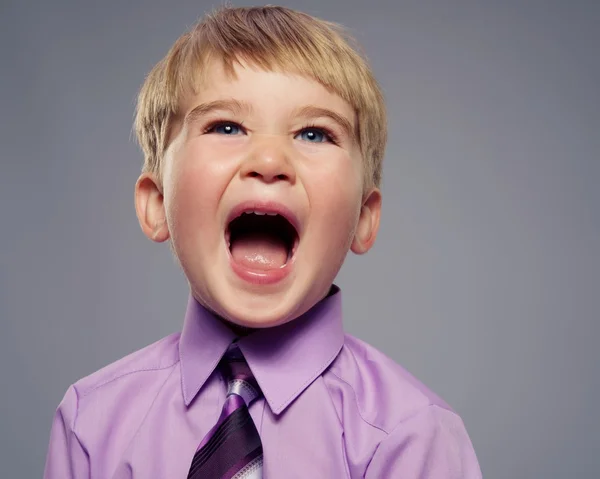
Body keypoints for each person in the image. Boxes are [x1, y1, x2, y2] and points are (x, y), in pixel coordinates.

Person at [43, 5, 482, 478]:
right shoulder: (90, 423)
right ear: (157, 202)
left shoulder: (410, 437)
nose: (270, 159)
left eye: (314, 133)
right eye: (226, 127)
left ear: (363, 218)